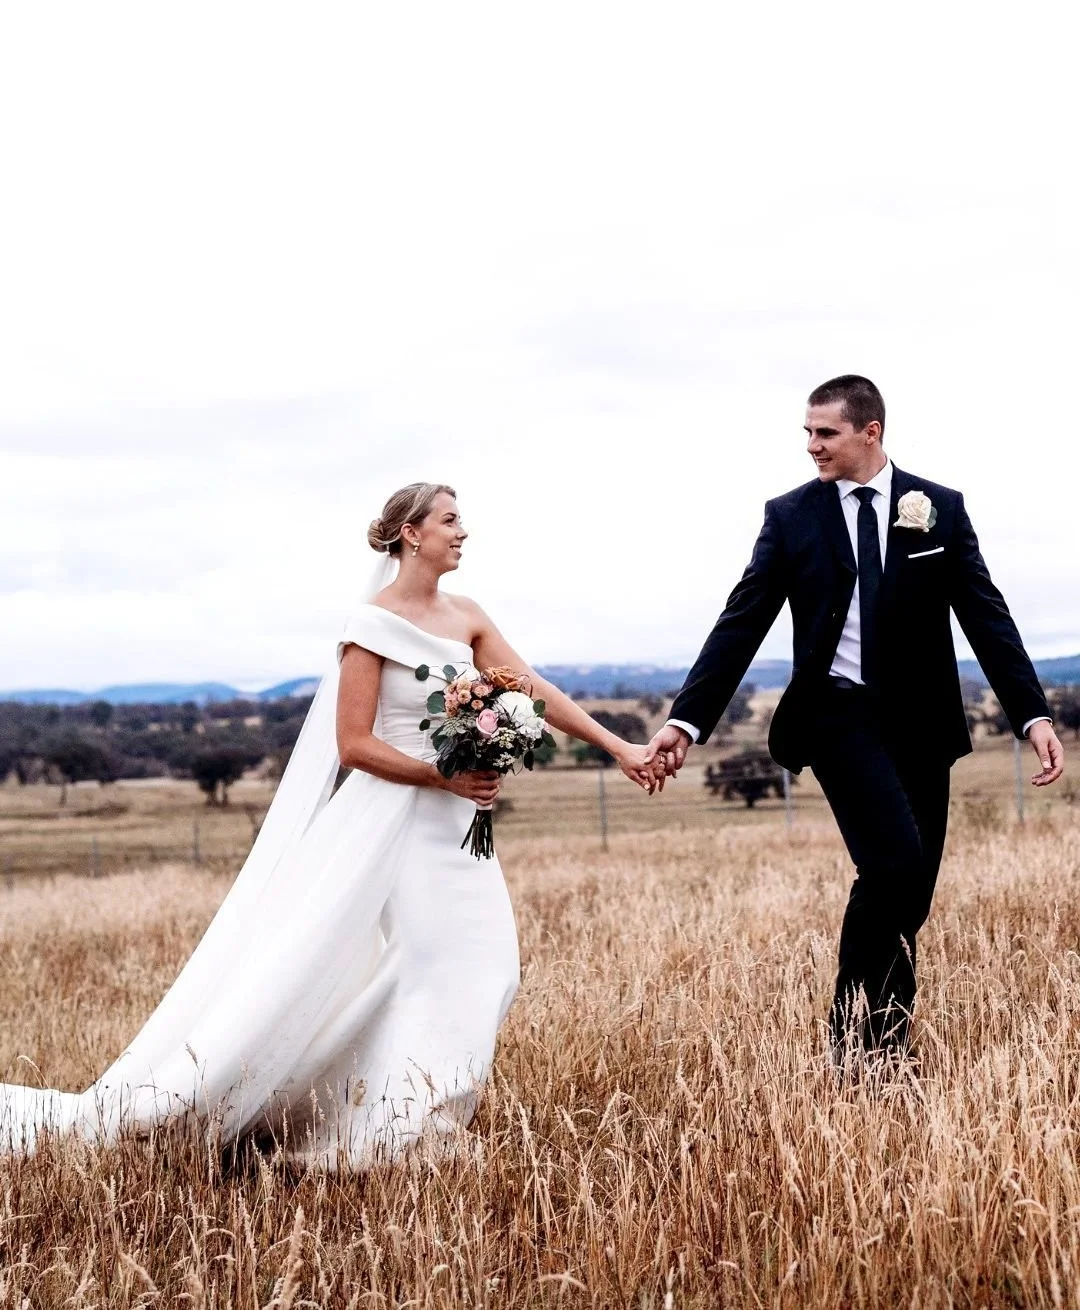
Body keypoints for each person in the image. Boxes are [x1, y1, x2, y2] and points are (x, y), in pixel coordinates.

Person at [1, 482, 654, 1167]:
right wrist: (440, 774)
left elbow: (533, 691)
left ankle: (406, 1108)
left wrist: (619, 749)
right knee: (434, 963)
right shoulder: (367, 626)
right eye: (451, 521)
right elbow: (354, 745)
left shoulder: (467, 615)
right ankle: (404, 1125)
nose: (464, 533)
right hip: (396, 821)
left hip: (460, 824)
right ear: (412, 533)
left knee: (490, 961)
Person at [646, 375, 1064, 1063]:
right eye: (807, 433)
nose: (812, 446)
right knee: (894, 861)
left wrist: (1031, 715)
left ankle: (879, 1039)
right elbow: (741, 621)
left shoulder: (940, 509)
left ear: (870, 432)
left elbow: (987, 616)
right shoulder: (790, 517)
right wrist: (687, 720)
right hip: (838, 717)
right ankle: (856, 1042)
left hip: (924, 722)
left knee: (912, 887)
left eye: (825, 433)